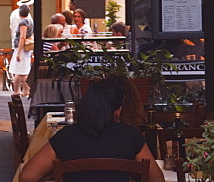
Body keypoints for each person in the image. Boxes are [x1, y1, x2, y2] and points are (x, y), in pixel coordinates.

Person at [20, 77, 164, 182]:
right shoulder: (130, 135)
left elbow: (27, 177)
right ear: (118, 110)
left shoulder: (66, 136)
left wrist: (56, 172)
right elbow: (157, 179)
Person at [10, 3, 34, 97]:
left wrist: (19, 52)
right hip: (26, 48)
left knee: (19, 70)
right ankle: (26, 90)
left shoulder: (23, 22)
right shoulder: (29, 21)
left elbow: (22, 37)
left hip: (22, 48)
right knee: (23, 70)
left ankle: (17, 91)